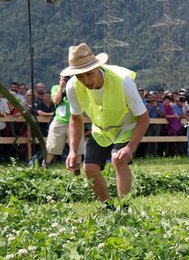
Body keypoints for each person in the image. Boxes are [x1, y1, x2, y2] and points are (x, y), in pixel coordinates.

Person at [62, 42, 149, 203]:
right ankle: (108, 206)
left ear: (97, 67)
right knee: (89, 169)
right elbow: (76, 118)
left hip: (126, 126)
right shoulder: (72, 86)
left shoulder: (123, 82)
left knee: (118, 159)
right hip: (101, 128)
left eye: (89, 74)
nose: (86, 80)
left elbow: (144, 118)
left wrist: (130, 147)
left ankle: (124, 207)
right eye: (80, 76)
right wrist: (73, 151)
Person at [43, 75, 85, 167]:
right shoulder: (56, 88)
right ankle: (45, 166)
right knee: (52, 145)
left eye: (68, 77)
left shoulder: (78, 87)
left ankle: (76, 169)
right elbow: (56, 101)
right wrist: (61, 87)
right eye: (64, 78)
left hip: (75, 120)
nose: (67, 79)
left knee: (78, 147)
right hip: (59, 121)